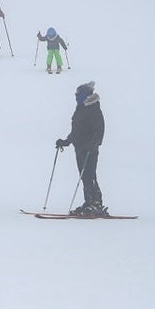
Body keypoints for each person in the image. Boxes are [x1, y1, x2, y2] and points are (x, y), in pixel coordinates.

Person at [55, 81, 107, 216]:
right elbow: (76, 130)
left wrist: (94, 144)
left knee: (90, 175)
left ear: (85, 96)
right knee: (84, 176)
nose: (76, 97)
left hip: (89, 149)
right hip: (80, 148)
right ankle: (89, 202)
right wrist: (66, 141)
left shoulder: (93, 109)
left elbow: (99, 129)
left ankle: (97, 204)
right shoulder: (80, 109)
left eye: (78, 95)